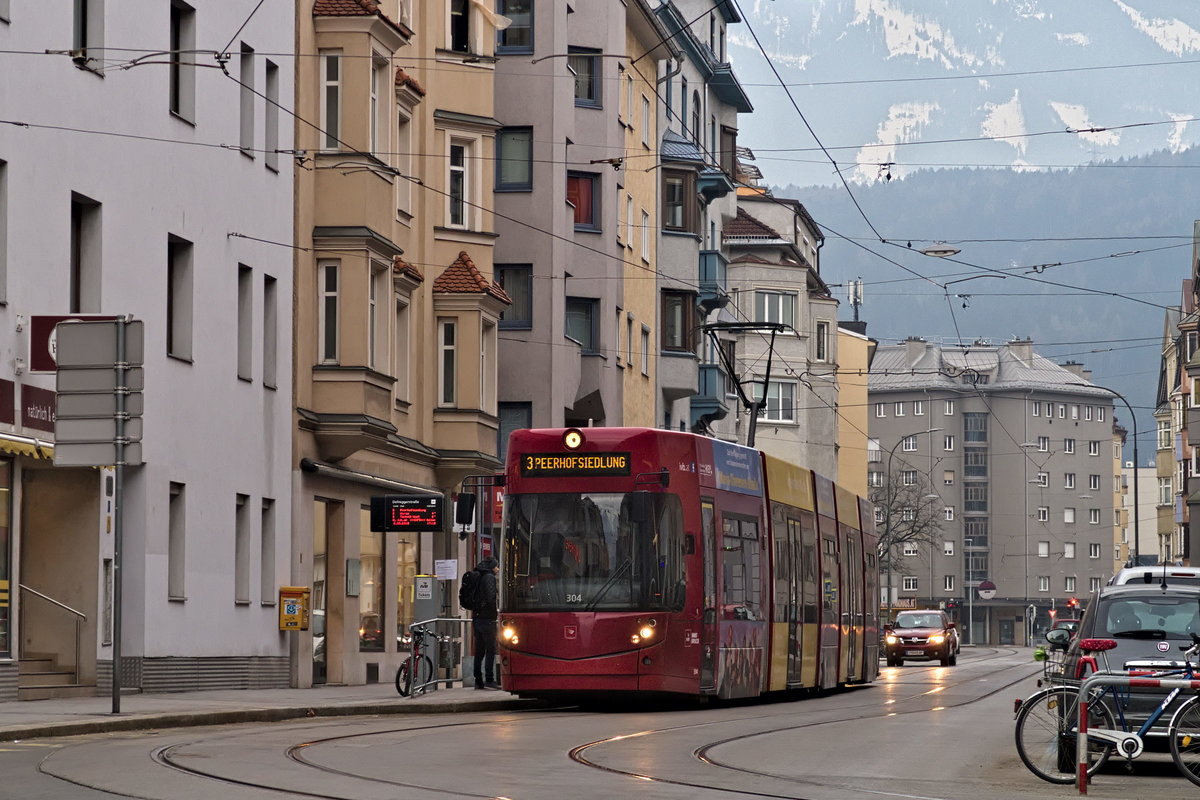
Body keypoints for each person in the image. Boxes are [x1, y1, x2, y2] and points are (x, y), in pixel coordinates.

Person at [470, 557, 500, 690]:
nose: (498, 569)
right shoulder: (489, 577)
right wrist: (495, 614)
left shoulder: (478, 575)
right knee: (490, 649)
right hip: (487, 619)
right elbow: (490, 597)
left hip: (477, 617)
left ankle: (478, 680)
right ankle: (489, 678)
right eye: (497, 566)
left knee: (479, 651)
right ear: (492, 567)